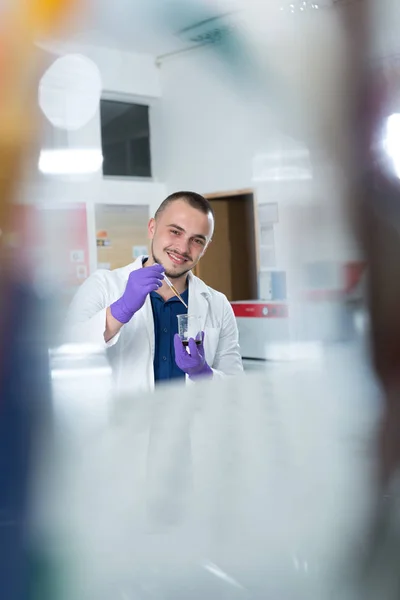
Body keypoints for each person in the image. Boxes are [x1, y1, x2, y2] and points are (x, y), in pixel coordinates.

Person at [66, 191, 243, 394]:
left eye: (197, 240)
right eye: (175, 232)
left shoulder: (218, 305)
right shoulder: (102, 285)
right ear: (152, 228)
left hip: (192, 424)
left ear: (205, 248)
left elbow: (235, 389)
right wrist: (119, 311)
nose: (183, 248)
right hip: (123, 424)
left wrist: (204, 374)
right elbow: (67, 353)